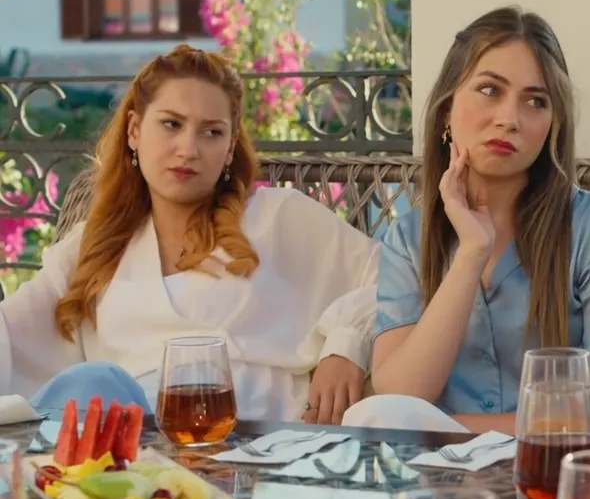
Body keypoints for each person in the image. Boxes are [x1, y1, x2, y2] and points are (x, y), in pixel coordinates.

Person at [0, 45, 380, 425]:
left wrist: (346, 345)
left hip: (262, 445)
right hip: (135, 448)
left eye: (212, 132)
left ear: (229, 148)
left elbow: (390, 274)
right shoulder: (94, 247)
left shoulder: (276, 218)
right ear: (134, 130)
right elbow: (12, 336)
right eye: (171, 124)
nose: (188, 149)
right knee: (93, 382)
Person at [342, 7, 590, 439]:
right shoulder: (408, 239)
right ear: (447, 110)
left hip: (551, 469)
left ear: (552, 125)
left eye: (535, 101)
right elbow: (400, 396)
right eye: (490, 90)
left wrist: (440, 428)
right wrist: (471, 253)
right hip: (439, 475)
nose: (509, 119)